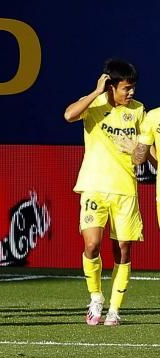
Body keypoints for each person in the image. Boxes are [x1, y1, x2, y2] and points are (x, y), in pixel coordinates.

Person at [64, 60, 144, 326]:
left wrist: (137, 149)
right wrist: (97, 92)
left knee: (122, 249)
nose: (130, 93)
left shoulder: (138, 111)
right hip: (94, 186)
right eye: (126, 88)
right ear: (111, 86)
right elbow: (69, 115)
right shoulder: (94, 106)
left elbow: (144, 155)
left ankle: (115, 309)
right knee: (91, 244)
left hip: (124, 189)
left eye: (132, 88)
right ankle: (96, 298)